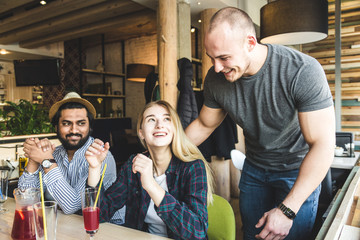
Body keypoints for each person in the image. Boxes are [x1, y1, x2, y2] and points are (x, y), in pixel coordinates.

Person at [185, 7, 335, 240]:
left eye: (224, 57)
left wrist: (287, 210)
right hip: (255, 170)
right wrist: (161, 152)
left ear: (250, 43)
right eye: (211, 57)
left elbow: (323, 145)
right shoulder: (217, 79)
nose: (216, 67)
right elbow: (204, 125)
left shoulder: (302, 71)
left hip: (297, 172)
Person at [85, 100, 214, 239]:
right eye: (151, 120)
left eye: (166, 119)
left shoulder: (193, 166)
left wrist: (151, 185)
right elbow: (100, 214)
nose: (159, 125)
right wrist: (94, 168)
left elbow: (197, 232)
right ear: (141, 133)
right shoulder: (133, 164)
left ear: (175, 128)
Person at [18, 92, 124, 224]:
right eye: (66, 123)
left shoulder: (100, 156)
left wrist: (46, 161)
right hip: (64, 227)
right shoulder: (54, 154)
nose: (74, 130)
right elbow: (25, 199)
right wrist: (34, 159)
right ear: (56, 127)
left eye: (81, 123)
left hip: (107, 230)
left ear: (90, 127)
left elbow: (72, 206)